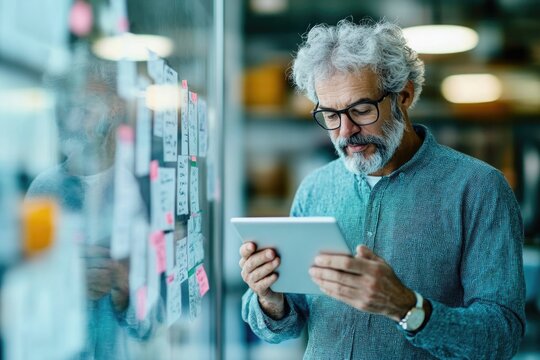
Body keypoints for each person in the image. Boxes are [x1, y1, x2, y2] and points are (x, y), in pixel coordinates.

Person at [240, 19, 525, 359]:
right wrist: (270, 298)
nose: (346, 131)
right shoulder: (316, 188)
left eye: (361, 110)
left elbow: (502, 336)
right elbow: (286, 324)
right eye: (330, 115)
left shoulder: (479, 189)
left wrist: (407, 307)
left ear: (404, 96)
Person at [27, 52, 156, 359]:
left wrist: (123, 290)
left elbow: (159, 321)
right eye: (67, 110)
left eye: (84, 109)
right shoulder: (44, 191)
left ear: (114, 109)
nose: (73, 122)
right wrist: (70, 286)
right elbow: (27, 299)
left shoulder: (144, 189)